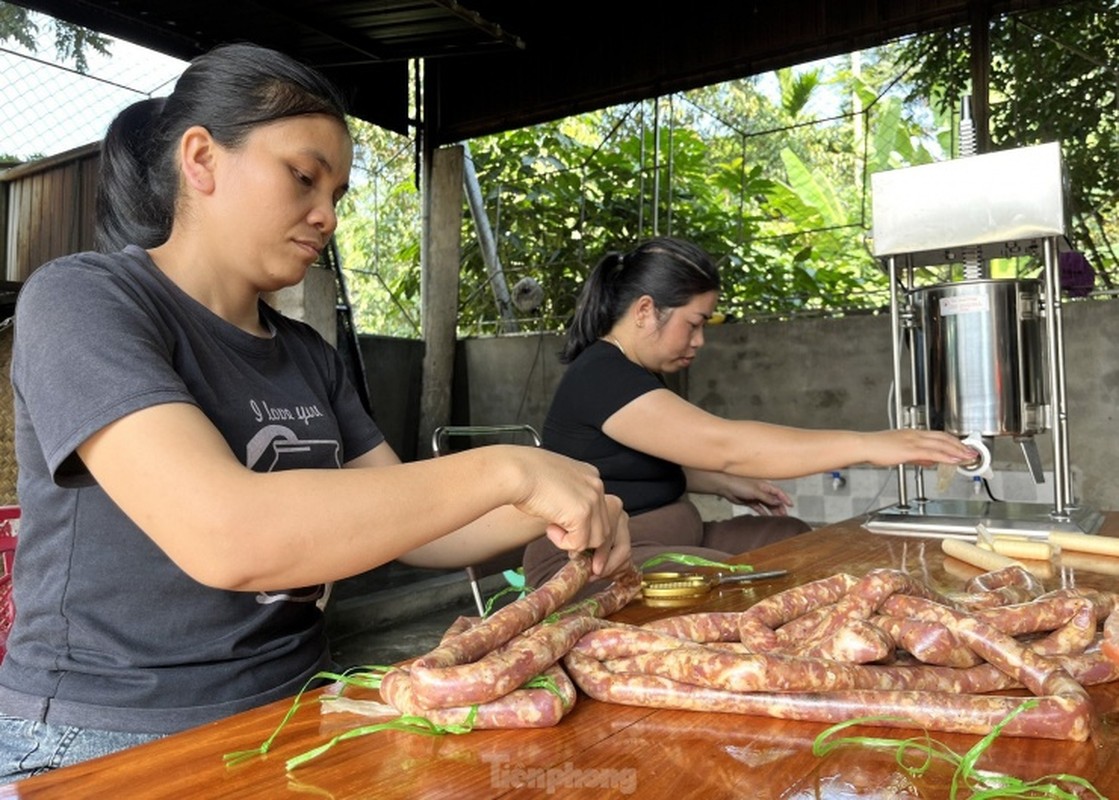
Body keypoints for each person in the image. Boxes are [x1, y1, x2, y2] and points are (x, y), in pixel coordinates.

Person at [0, 43, 629, 784]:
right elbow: (228, 537)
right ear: (200, 160)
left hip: (299, 704)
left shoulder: (304, 352)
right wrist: (507, 466)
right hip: (113, 732)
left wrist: (562, 502)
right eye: (303, 177)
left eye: (337, 195)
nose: (326, 216)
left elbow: (427, 526)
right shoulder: (85, 300)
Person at [523, 236, 977, 594]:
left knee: (792, 537)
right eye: (695, 323)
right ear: (645, 311)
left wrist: (722, 484)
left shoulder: (630, 373)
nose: (699, 340)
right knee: (744, 586)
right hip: (599, 558)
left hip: (672, 536)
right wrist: (870, 445)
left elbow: (626, 465)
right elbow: (726, 447)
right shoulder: (602, 375)